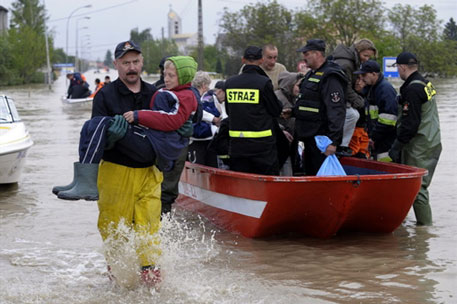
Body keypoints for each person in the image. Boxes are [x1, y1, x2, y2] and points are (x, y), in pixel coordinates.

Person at [389, 52, 441, 226]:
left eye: (397, 68)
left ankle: (424, 234)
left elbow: (411, 123)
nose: (397, 71)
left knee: (418, 188)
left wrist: (397, 145)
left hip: (420, 144)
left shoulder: (413, 89)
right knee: (415, 187)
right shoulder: (425, 83)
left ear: (402, 67)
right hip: (431, 141)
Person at [225, 46, 283, 175]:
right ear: (261, 60)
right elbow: (275, 110)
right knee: (266, 186)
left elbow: (229, 112)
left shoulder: (230, 83)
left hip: (237, 146)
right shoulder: (263, 82)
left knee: (242, 184)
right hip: (262, 147)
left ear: (243, 60)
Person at [293, 39, 347, 176]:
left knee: (321, 179)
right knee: (310, 176)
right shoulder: (312, 74)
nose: (304, 57)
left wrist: (333, 142)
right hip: (309, 138)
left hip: (322, 142)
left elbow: (336, 110)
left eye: (307, 54)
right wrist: (293, 112)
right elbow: (309, 103)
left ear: (317, 54)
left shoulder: (330, 76)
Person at [332, 38, 377, 155]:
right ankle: (342, 145)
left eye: (369, 57)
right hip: (336, 98)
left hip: (339, 97)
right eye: (365, 55)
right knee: (352, 115)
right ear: (358, 51)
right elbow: (345, 87)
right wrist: (358, 101)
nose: (367, 60)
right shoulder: (346, 64)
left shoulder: (351, 62)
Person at [354, 60, 398, 161]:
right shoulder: (372, 88)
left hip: (386, 140)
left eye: (364, 75)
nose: (362, 78)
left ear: (374, 74)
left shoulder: (385, 90)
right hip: (377, 138)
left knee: (385, 165)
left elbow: (388, 119)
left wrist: (373, 137)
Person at [188, 71, 222, 167]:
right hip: (196, 140)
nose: (208, 88)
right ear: (203, 85)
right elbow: (198, 111)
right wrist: (213, 119)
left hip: (204, 140)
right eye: (208, 85)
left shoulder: (204, 97)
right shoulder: (193, 96)